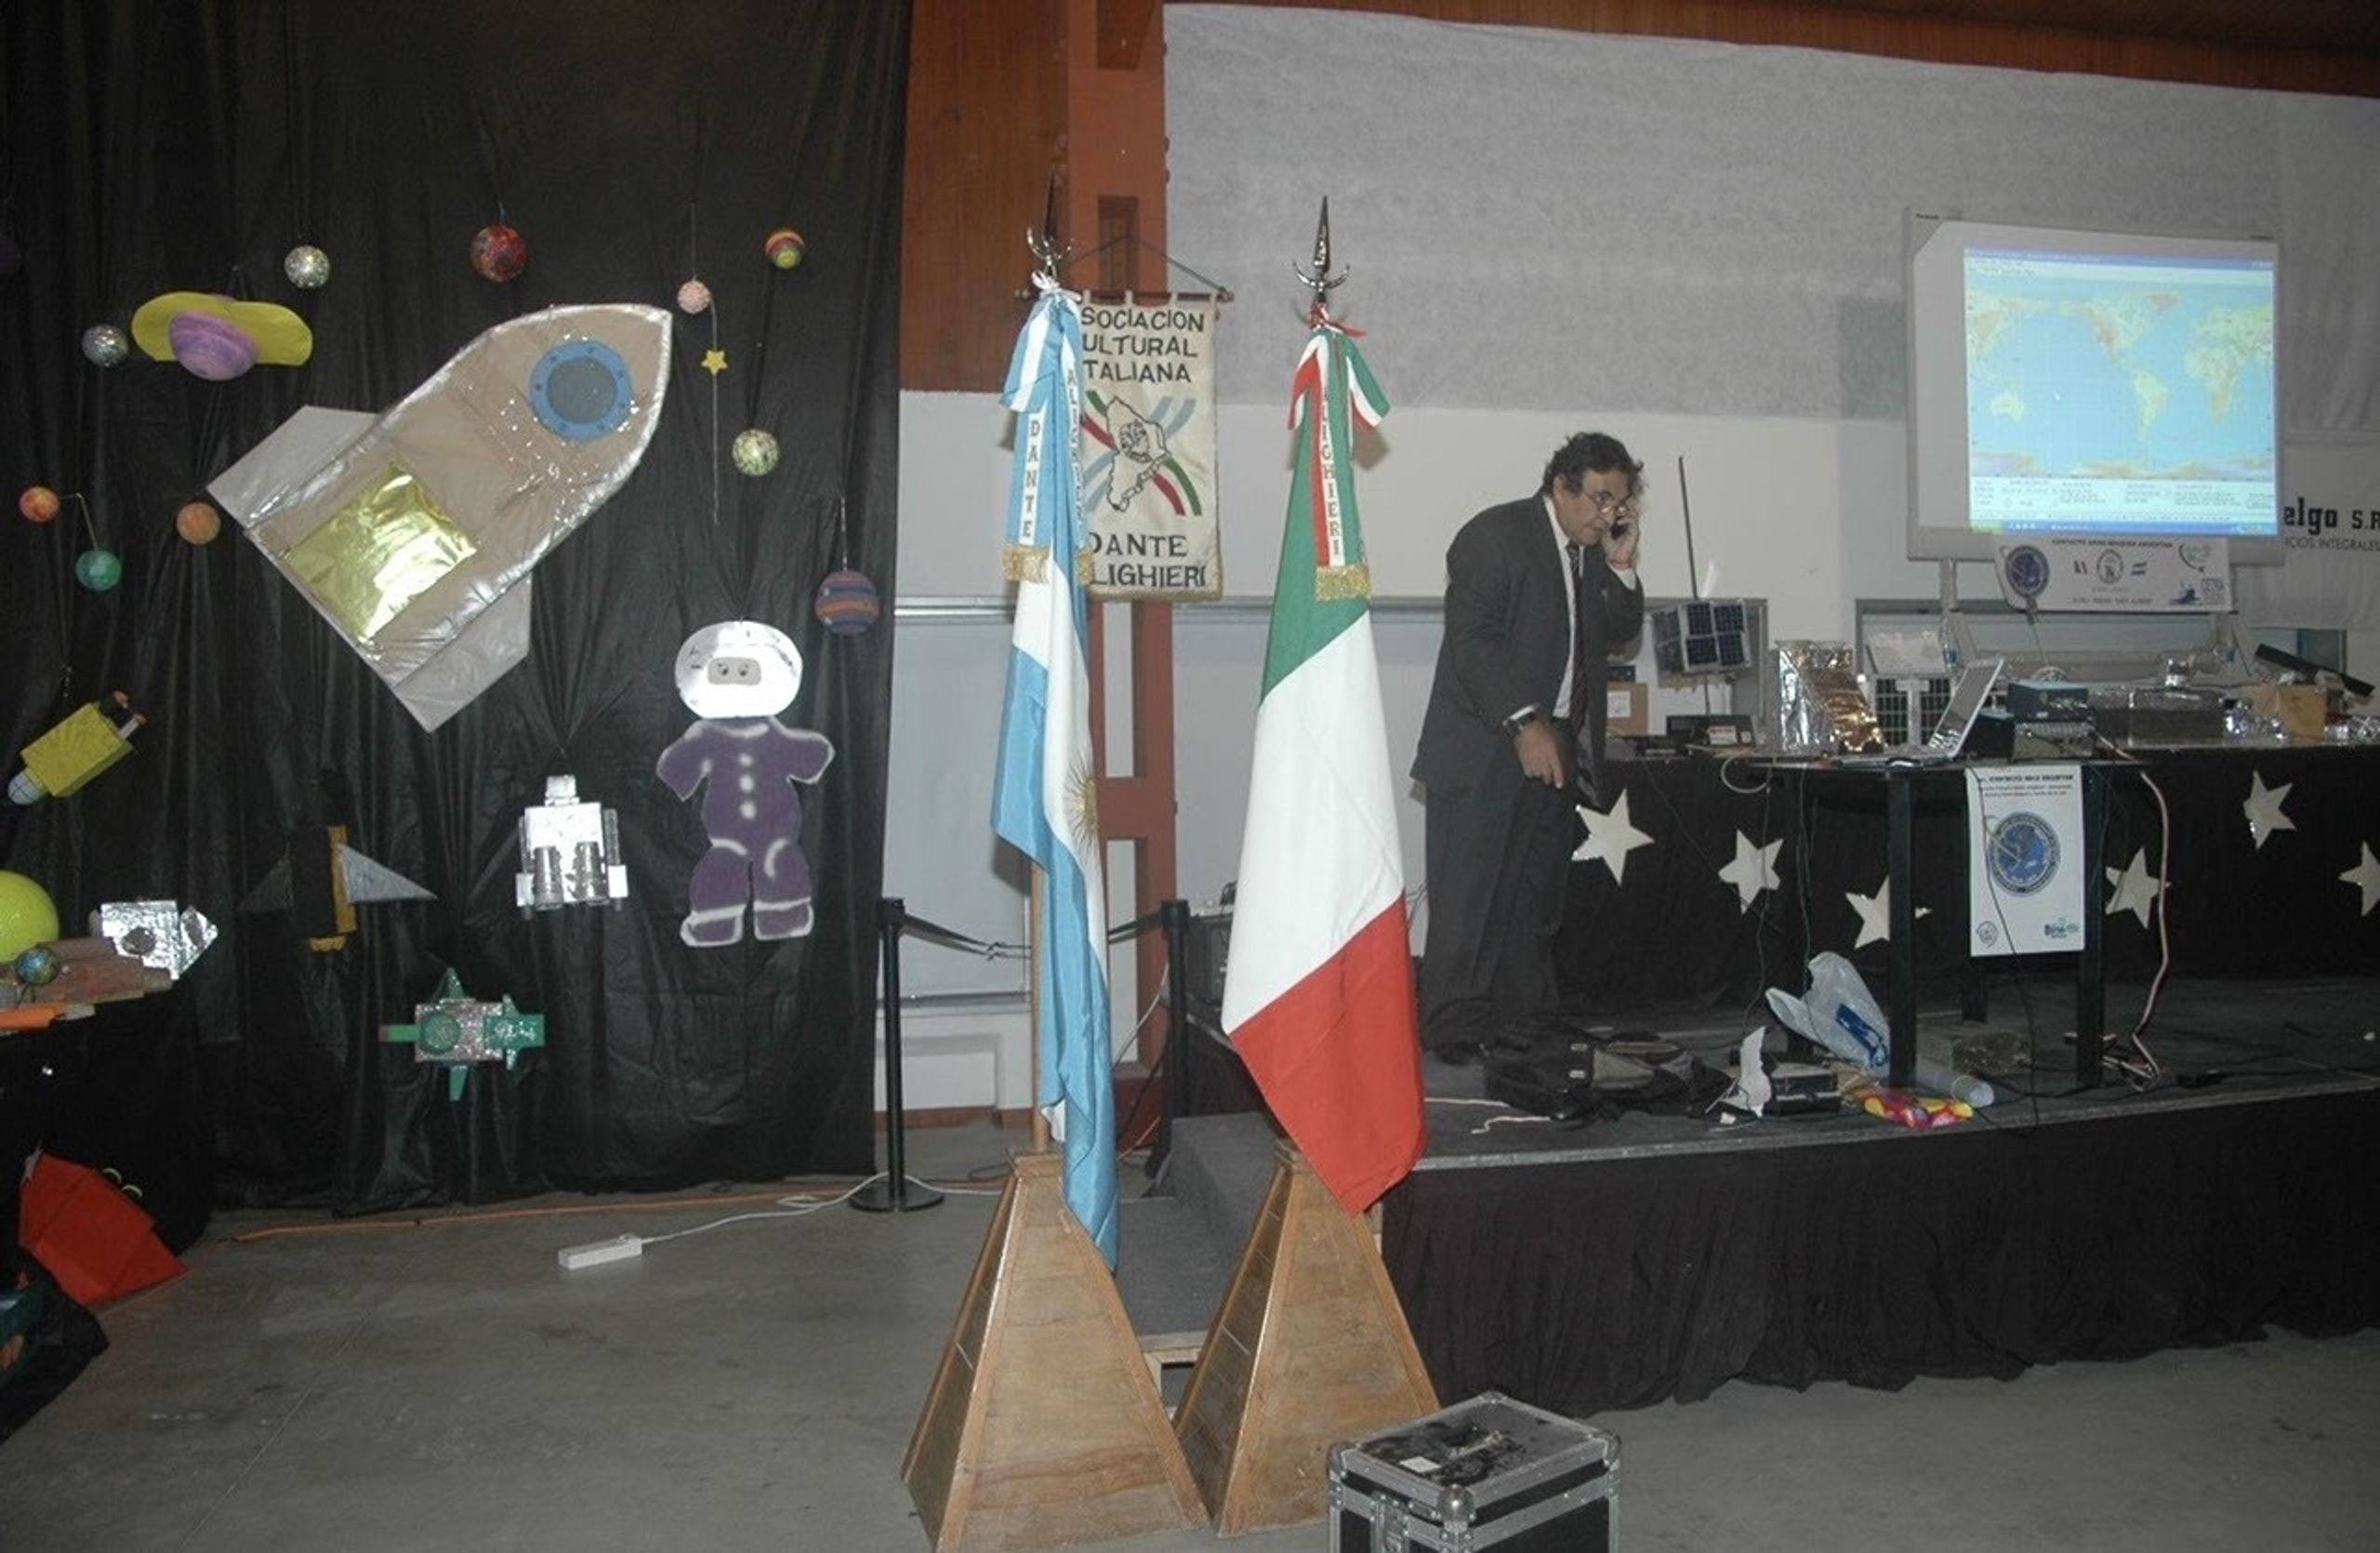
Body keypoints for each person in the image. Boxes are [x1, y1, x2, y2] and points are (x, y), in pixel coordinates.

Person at [1411, 431, 1646, 1060]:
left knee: (1534, 897)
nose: (1608, 516)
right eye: (1599, 500)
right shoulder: (1494, 536)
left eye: (1619, 504)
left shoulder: (1590, 550)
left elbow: (1620, 631)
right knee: (1471, 895)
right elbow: (1474, 641)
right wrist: (1525, 723)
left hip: (1559, 743)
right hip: (1487, 745)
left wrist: (1622, 564)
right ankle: (1456, 1032)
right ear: (1561, 486)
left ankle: (1525, 1021)